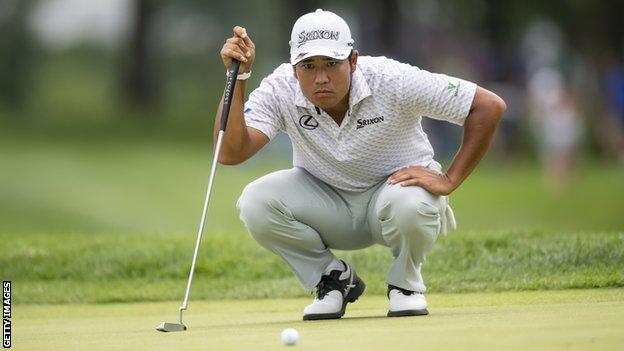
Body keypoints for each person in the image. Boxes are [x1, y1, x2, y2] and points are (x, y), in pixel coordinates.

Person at [216, 9, 506, 320]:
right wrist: (239, 78)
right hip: (326, 205)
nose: (321, 77)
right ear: (294, 69)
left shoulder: (391, 79)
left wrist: (449, 179)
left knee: (411, 203)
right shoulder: (280, 89)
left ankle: (405, 285)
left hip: (394, 198)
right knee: (255, 201)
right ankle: (332, 280)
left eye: (332, 64)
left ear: (353, 61)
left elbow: (488, 106)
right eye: (308, 66)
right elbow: (231, 152)